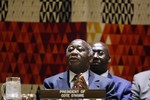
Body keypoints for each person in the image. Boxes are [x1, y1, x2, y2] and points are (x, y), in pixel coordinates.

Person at [44, 39, 118, 99]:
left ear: (91, 58)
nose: (74, 52)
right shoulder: (51, 83)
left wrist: (88, 97)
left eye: (80, 50)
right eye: (70, 50)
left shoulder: (107, 84)